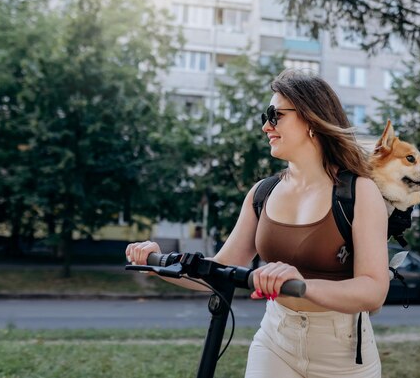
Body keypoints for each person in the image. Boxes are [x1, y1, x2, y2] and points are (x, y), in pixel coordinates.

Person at [126, 69, 390, 377]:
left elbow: (373, 292)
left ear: (311, 121)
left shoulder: (358, 192)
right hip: (276, 340)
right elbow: (218, 271)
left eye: (275, 115)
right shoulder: (262, 194)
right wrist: (156, 263)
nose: (266, 126)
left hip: (342, 354)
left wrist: (302, 285)